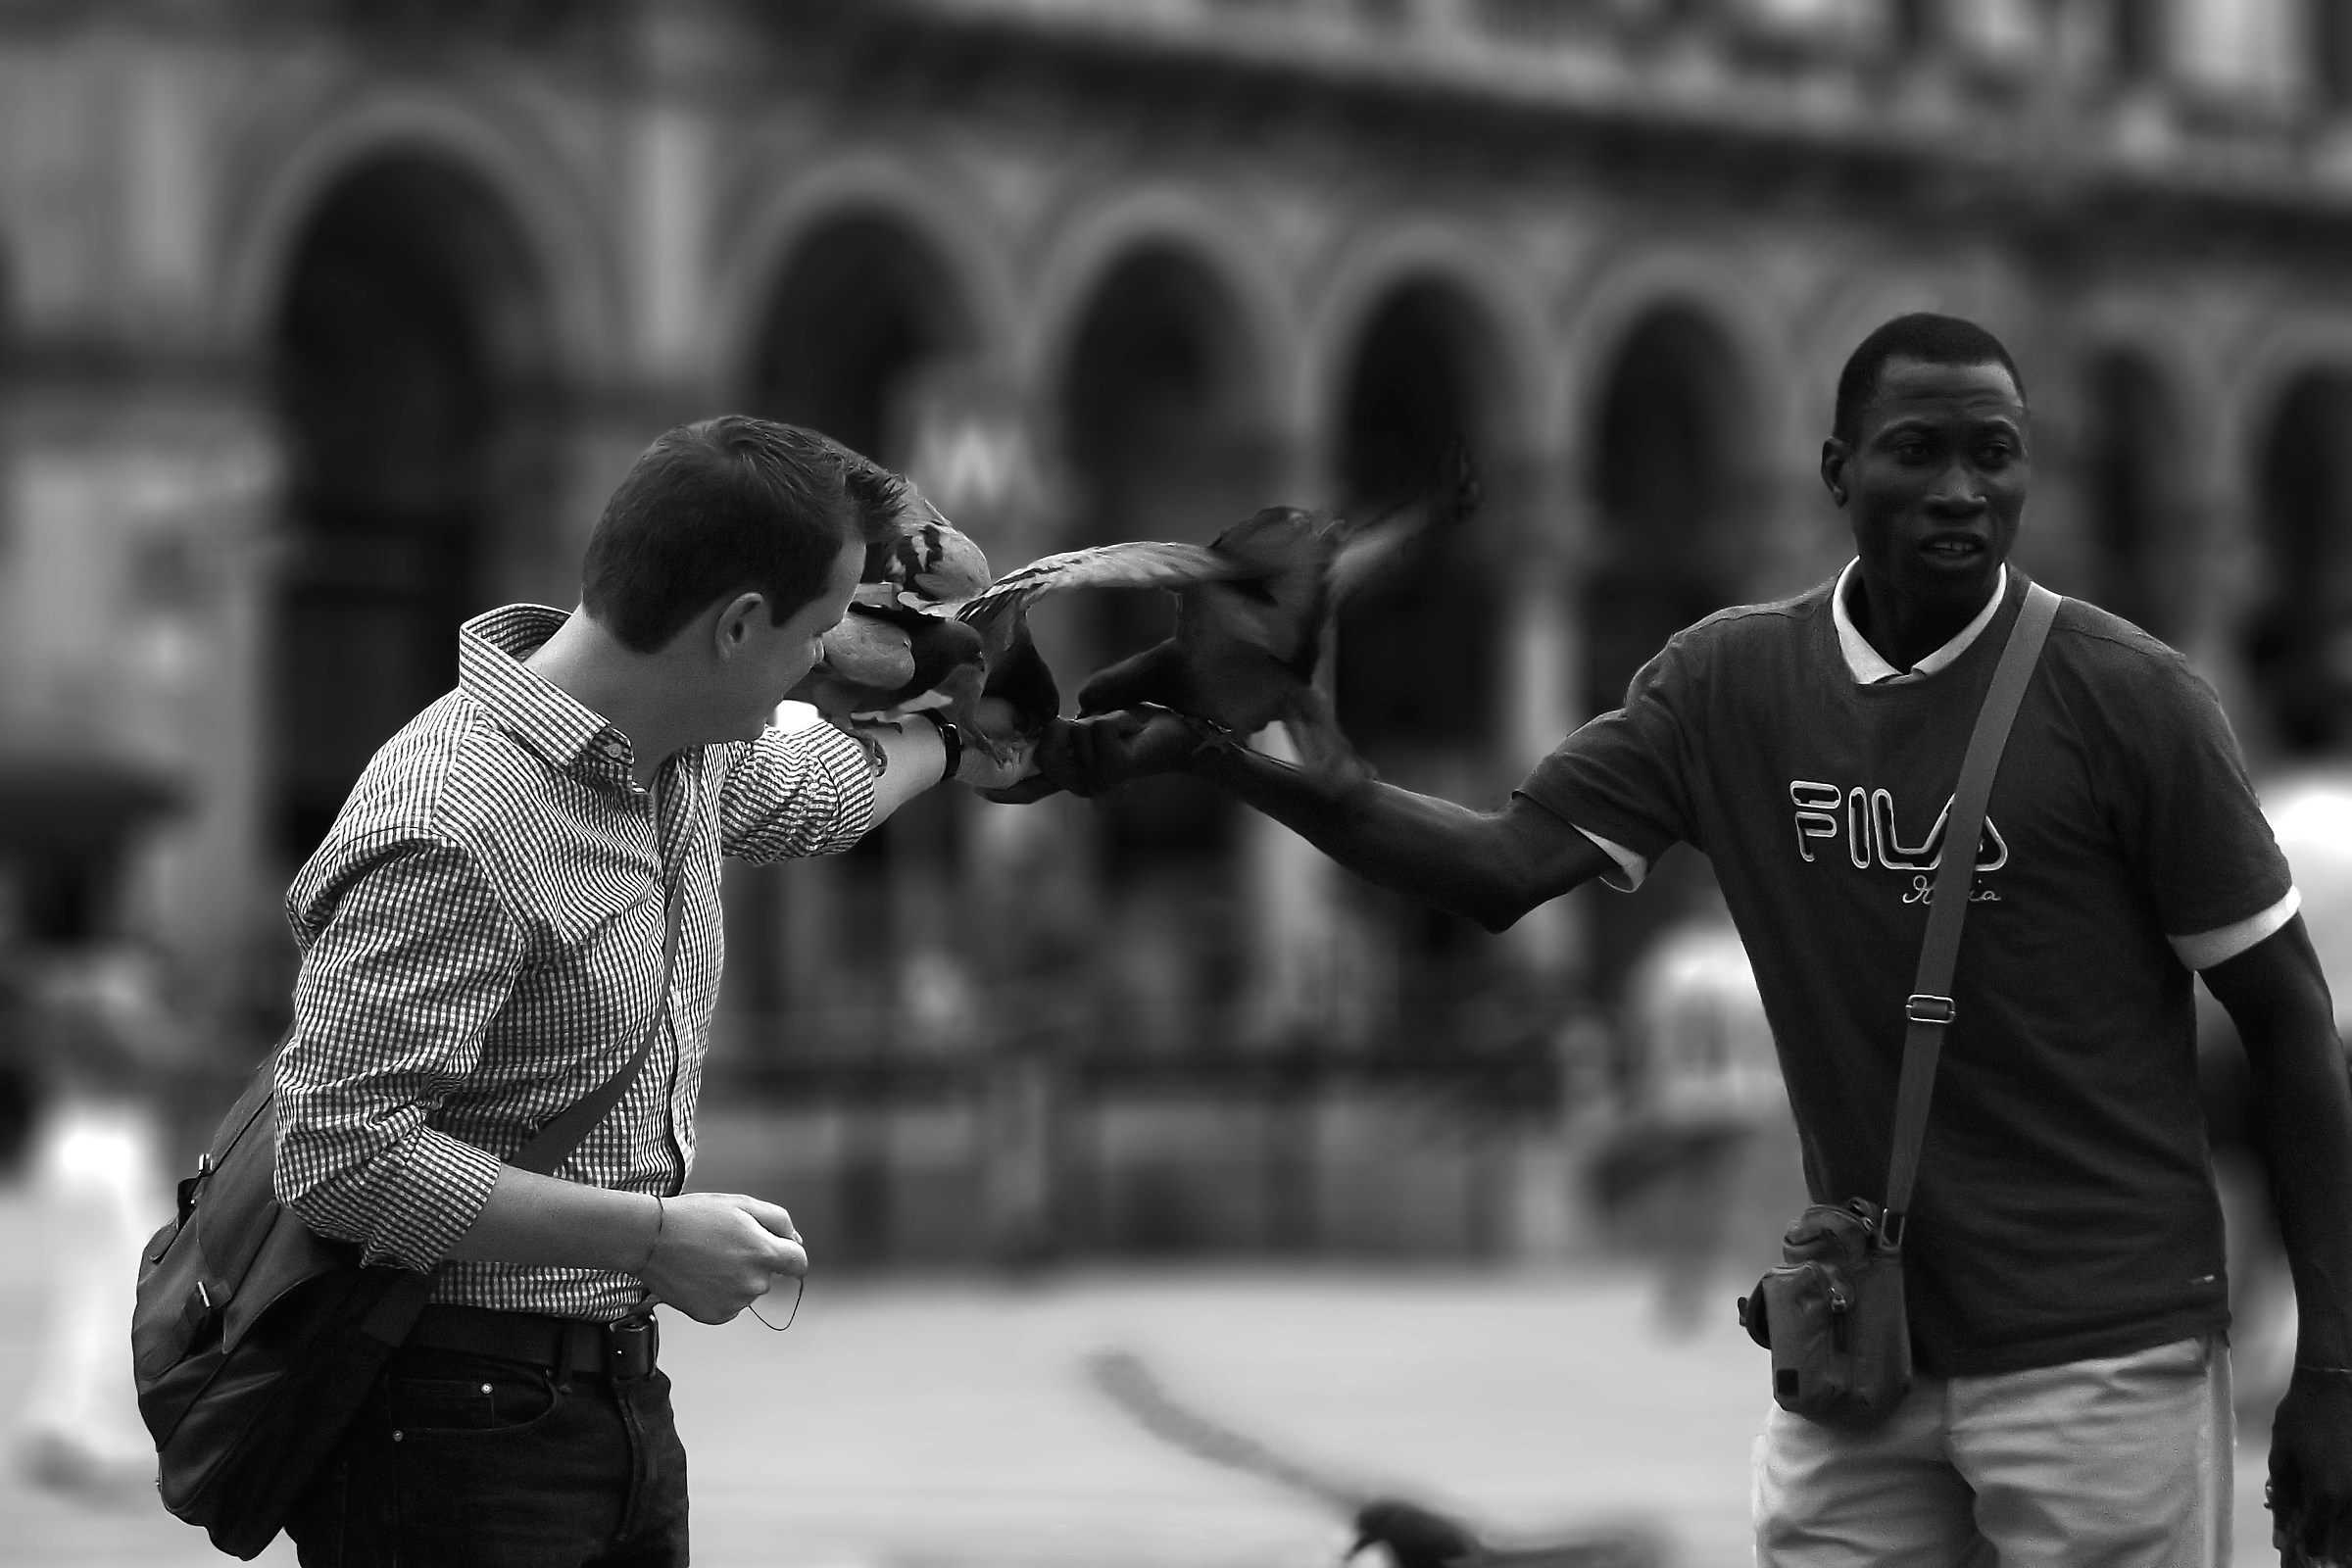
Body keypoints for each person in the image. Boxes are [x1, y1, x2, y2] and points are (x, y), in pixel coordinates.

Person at [1048, 315, 2352, 1565]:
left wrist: (2338, 1368)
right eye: (1918, 450)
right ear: (1837, 471)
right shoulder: (1728, 683)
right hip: (1863, 1353)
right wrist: (1236, 766)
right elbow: (1503, 867)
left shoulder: (2134, 700)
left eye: (1995, 454)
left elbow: (2291, 1020)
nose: (1962, 489)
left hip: (2103, 1353)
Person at [272, 416, 1023, 1566]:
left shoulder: (675, 751)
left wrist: (985, 741)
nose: (824, 666)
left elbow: (813, 791)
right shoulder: (454, 819)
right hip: (441, 1431)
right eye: (817, 634)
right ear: (735, 628)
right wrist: (654, 1239)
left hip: (613, 1402)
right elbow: (339, 1151)